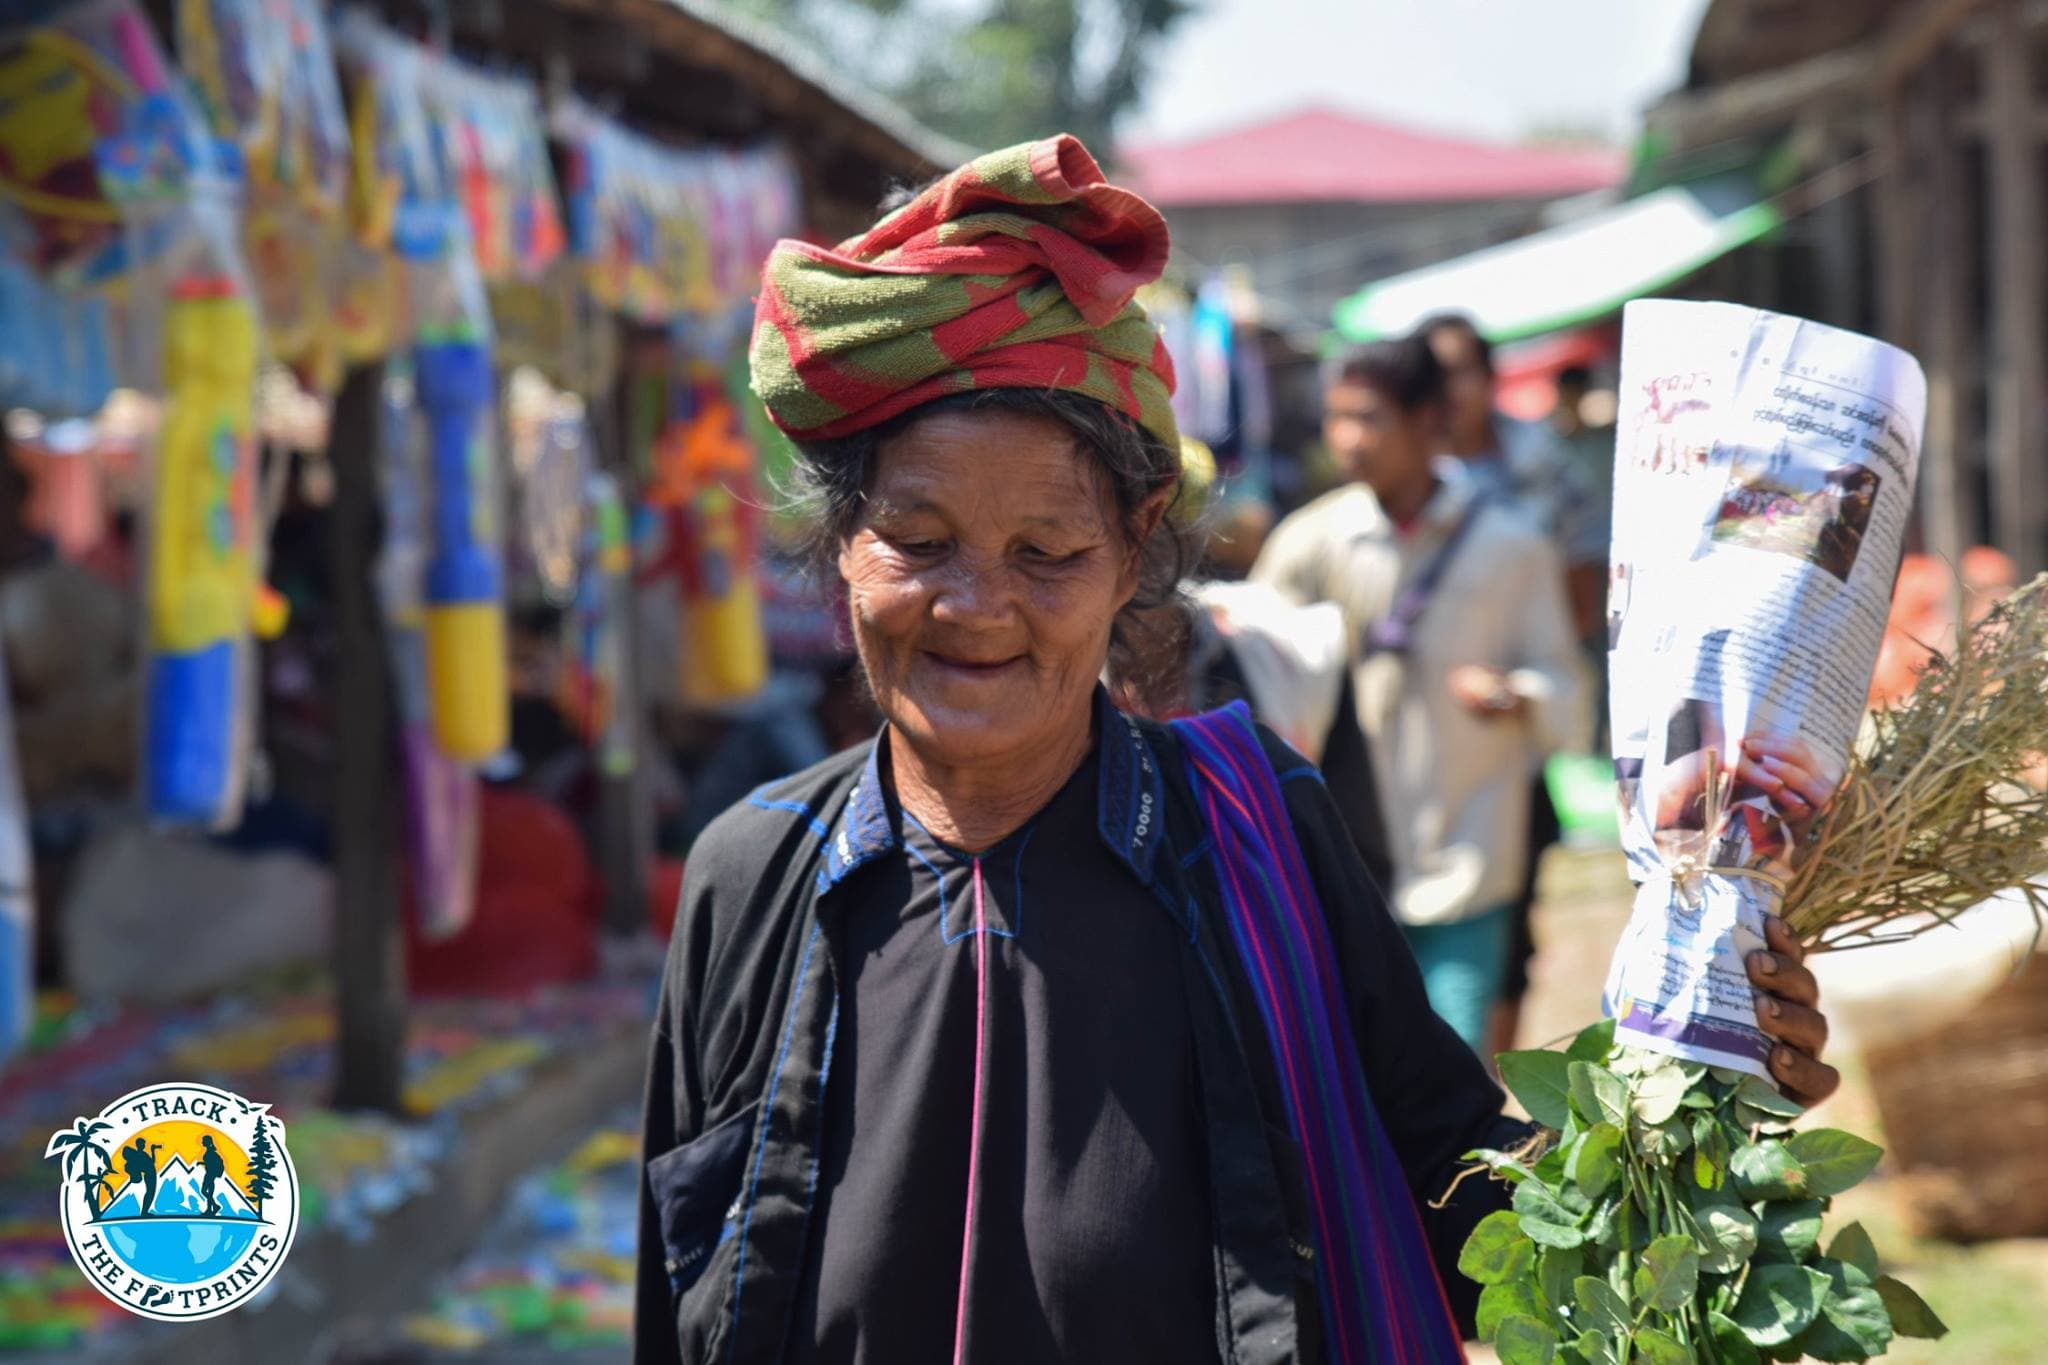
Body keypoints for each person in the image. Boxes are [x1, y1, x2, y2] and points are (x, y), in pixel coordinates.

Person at [633, 136, 1839, 1365]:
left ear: (1132, 545)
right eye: (914, 539)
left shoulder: (1249, 835)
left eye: (1045, 553)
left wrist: (1703, 1101)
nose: (975, 606)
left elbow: (1475, 1217)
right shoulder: (755, 876)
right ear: (841, 541)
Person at [1252, 336, 1585, 1051]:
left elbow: (1567, 690)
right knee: (1357, 1081)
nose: (1347, 439)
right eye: (1337, 417)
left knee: (1457, 1075)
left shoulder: (1512, 547)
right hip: (1341, 869)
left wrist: (1517, 694)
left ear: (1429, 422)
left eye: (1368, 418)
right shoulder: (1311, 544)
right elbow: (1251, 680)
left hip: (1469, 858)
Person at [1419, 314, 1605, 1062]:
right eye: (1433, 373)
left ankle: (1489, 1093)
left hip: (1515, 735)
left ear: (1490, 378)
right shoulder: (1410, 468)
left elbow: (1585, 570)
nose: (1447, 389)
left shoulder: (1540, 465)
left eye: (1461, 370)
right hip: (1421, 746)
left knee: (1513, 913)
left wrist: (1535, 659)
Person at [199, 1134, 226, 1217]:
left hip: (210, 1174)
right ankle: (211, 1208)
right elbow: (210, 1162)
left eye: (203, 1141)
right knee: (208, 1192)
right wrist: (202, 1163)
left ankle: (213, 1207)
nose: (202, 1142)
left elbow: (211, 1163)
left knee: (204, 1191)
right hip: (210, 1174)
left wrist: (204, 1163)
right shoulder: (210, 1151)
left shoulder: (210, 1152)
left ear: (207, 1142)